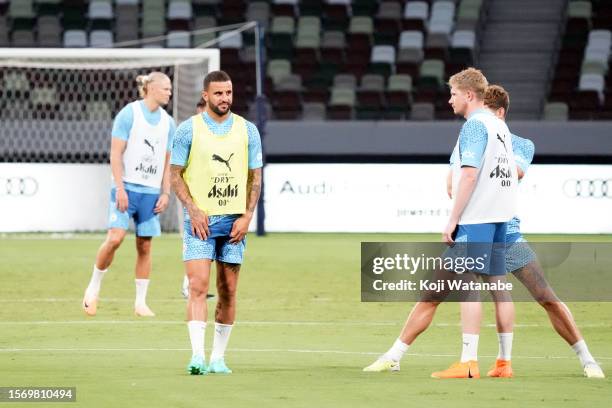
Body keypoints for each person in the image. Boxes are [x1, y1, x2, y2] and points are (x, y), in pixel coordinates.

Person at [364, 68, 518, 378]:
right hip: (500, 217)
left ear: (469, 95)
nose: (450, 100)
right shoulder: (499, 126)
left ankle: (468, 362)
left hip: (478, 220)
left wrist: (453, 219)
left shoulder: (475, 126)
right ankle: (503, 362)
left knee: (464, 286)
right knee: (462, 289)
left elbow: (471, 174)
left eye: (453, 94)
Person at [456, 85, 604, 379]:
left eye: (488, 111)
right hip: (476, 229)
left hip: (508, 232)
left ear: (499, 113)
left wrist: (492, 152)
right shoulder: (473, 135)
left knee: (545, 295)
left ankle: (587, 358)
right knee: (450, 293)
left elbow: (516, 172)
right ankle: (483, 362)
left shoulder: (521, 144)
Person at [170, 70, 263, 375]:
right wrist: (193, 210)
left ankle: (218, 359)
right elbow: (174, 175)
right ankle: (197, 356)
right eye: (219, 93)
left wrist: (248, 215)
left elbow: (256, 177)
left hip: (234, 224)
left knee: (228, 292)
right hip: (201, 222)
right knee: (198, 287)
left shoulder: (248, 131)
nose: (225, 98)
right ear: (205, 95)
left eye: (229, 93)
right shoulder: (187, 130)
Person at [82, 72, 176, 317]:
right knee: (115, 238)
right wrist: (120, 187)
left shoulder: (169, 123)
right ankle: (93, 288)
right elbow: (115, 154)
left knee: (145, 245)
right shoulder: (129, 114)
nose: (169, 92)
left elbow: (168, 163)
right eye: (165, 88)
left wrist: (166, 192)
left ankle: (140, 303)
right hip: (126, 189)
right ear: (151, 88)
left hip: (151, 193)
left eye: (170, 88)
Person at [181, 97, 215, 301]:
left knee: (208, 242)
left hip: (212, 195)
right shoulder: (190, 133)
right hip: (194, 196)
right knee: (196, 241)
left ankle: (194, 285)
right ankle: (189, 286)